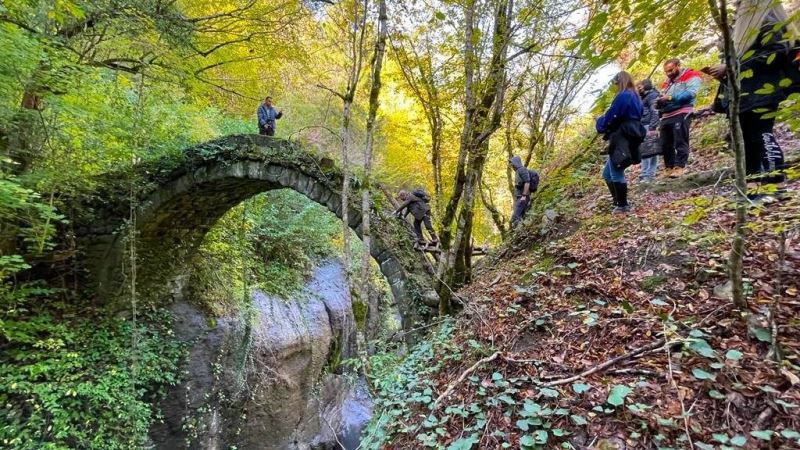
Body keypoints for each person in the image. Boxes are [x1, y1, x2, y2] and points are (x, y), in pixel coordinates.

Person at [705, 0, 799, 200]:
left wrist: (733, 66)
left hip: (762, 91)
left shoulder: (770, 23)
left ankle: (776, 185)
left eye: (740, 5)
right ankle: (752, 187)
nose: (737, 9)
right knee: (748, 139)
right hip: (746, 93)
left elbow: (775, 53)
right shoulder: (746, 34)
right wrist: (726, 71)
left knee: (761, 135)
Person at [596, 71, 645, 214]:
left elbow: (612, 116)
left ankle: (622, 205)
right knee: (607, 173)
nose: (615, 87)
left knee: (616, 169)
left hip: (623, 136)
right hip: (632, 133)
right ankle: (617, 201)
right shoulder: (636, 97)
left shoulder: (624, 96)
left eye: (616, 84)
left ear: (619, 82)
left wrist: (600, 122)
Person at [656, 58, 703, 178]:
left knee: (680, 140)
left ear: (678, 66)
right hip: (666, 114)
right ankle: (669, 167)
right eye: (666, 71)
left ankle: (679, 166)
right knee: (665, 143)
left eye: (671, 70)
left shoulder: (691, 75)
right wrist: (659, 102)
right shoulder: (667, 82)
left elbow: (691, 93)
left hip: (682, 111)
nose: (668, 73)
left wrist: (670, 98)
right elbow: (663, 96)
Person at [636, 79, 661, 182]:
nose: (638, 89)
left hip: (648, 126)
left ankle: (647, 175)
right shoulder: (643, 97)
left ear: (646, 86)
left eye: (639, 87)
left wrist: (652, 127)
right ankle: (648, 175)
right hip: (644, 125)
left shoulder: (652, 96)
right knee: (649, 151)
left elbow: (655, 111)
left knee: (648, 151)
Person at [508, 156, 539, 227]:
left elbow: (527, 182)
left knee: (515, 217)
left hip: (522, 198)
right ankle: (522, 231)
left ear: (516, 163)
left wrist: (524, 196)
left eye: (512, 163)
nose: (511, 165)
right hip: (520, 198)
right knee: (520, 216)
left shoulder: (522, 170)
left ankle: (520, 231)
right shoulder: (518, 171)